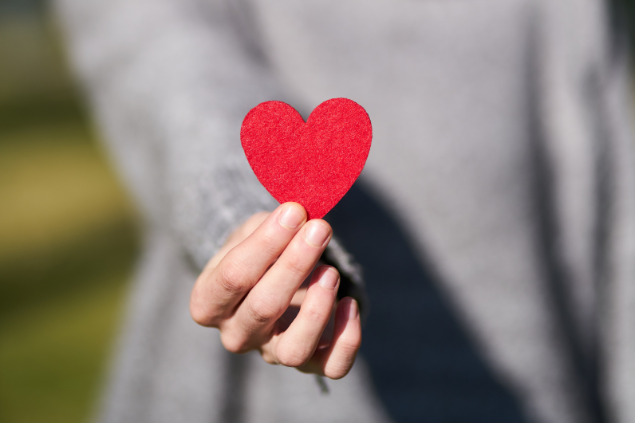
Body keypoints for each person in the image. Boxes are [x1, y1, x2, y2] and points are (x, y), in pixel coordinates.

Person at [55, 0, 635, 422]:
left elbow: (615, 219)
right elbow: (165, 66)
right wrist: (244, 222)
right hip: (257, 403)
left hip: (541, 384)